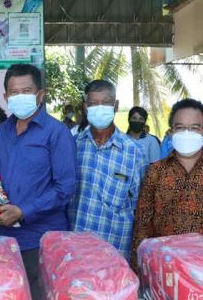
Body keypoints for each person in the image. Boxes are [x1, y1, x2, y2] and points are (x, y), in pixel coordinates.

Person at [0, 64, 77, 300]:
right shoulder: (2, 132)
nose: (19, 96)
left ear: (40, 95)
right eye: (14, 92)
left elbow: (65, 187)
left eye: (26, 91)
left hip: (40, 239)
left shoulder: (56, 132)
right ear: (6, 96)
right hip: (4, 237)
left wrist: (23, 211)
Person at [69, 80, 145, 261]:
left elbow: (140, 206)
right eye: (93, 103)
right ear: (85, 107)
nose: (99, 108)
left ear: (116, 106)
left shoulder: (134, 152)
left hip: (114, 251)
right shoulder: (73, 145)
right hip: (75, 248)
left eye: (106, 102)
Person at [131, 99, 203, 271]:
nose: (187, 133)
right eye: (180, 127)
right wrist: (139, 269)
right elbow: (143, 224)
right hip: (163, 268)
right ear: (171, 131)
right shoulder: (156, 171)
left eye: (194, 128)